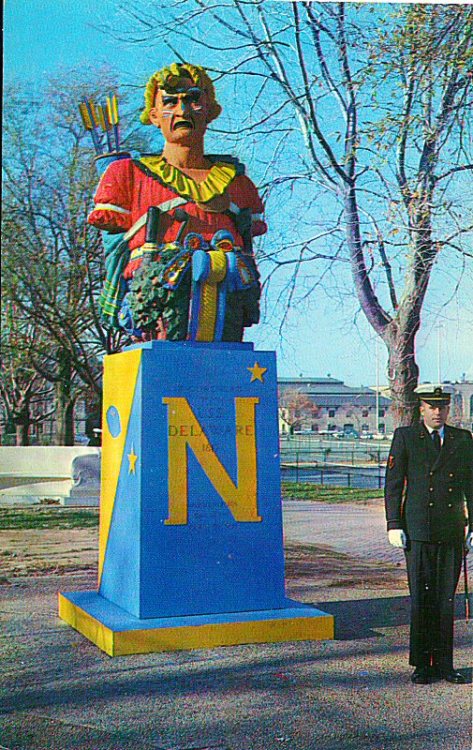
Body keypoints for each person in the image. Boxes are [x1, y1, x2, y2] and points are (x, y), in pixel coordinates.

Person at [87, 62, 266, 341]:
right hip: (158, 308)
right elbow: (114, 248)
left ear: (209, 111)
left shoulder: (238, 184)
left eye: (193, 99)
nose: (182, 111)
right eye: (170, 102)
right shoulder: (127, 175)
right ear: (155, 115)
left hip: (228, 308)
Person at [385, 384, 473, 685]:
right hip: (418, 531)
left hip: (450, 531)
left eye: (442, 406)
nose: (437, 412)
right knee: (422, 599)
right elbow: (393, 485)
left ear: (448, 409)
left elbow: (470, 488)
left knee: (445, 600)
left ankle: (446, 665)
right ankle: (422, 663)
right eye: (431, 406)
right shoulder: (406, 438)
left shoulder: (462, 440)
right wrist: (393, 524)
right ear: (421, 408)